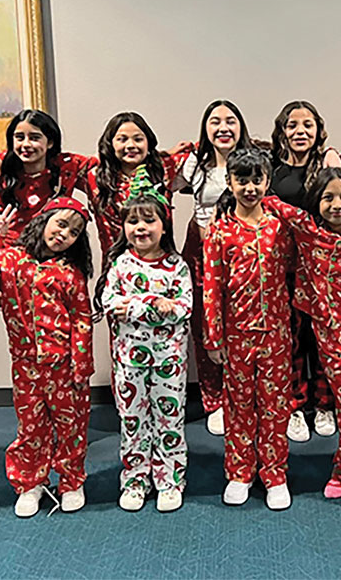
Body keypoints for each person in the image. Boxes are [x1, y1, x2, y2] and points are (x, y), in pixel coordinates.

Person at [263, 167, 341, 534]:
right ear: (315, 202)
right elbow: (269, 201)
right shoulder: (307, 230)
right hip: (332, 337)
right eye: (328, 197)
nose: (337, 205)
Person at [0, 197, 94, 517]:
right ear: (43, 220)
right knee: (31, 427)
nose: (64, 234)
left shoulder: (71, 273)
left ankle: (71, 482)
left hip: (64, 365)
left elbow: (82, 319)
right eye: (61, 224)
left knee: (71, 427)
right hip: (26, 365)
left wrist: (81, 367)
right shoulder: (10, 260)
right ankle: (30, 483)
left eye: (74, 232)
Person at [93, 178, 192, 513]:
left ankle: (169, 479)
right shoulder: (120, 264)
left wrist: (136, 305)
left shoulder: (177, 267)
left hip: (168, 361)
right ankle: (135, 479)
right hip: (129, 361)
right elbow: (110, 303)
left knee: (169, 419)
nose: (140, 228)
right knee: (133, 419)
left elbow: (183, 308)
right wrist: (154, 303)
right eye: (133, 221)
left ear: (164, 226)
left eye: (149, 220)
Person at [202, 148, 293, 510]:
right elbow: (211, 287)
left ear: (267, 182)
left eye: (257, 179)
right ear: (230, 182)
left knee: (274, 406)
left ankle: (275, 474)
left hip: (276, 335)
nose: (250, 187)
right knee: (238, 406)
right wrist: (213, 338)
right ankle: (240, 472)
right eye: (242, 180)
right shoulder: (219, 232)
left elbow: (293, 270)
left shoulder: (278, 227)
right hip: (237, 335)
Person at [171, 100, 253, 436]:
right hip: (200, 252)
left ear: (240, 126)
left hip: (242, 251)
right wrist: (171, 154)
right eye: (215, 121)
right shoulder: (195, 163)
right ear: (205, 128)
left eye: (230, 120)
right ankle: (215, 400)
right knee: (205, 325)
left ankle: (242, 396)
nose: (223, 127)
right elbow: (163, 184)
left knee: (240, 323)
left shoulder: (253, 160)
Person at [269, 100, 341, 441]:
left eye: (307, 125)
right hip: (284, 267)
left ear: (318, 130)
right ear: (282, 131)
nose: (300, 132)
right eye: (292, 125)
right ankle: (296, 406)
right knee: (293, 339)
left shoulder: (328, 165)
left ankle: (325, 405)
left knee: (323, 337)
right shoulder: (272, 169)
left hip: (321, 266)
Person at [83, 111, 192, 270]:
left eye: (138, 139)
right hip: (116, 270)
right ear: (110, 143)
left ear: (148, 142)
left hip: (162, 269)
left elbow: (205, 150)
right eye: (122, 139)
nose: (131, 145)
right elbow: (58, 163)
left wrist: (164, 153)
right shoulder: (95, 176)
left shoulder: (163, 169)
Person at [0, 109, 95, 242]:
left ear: (50, 142)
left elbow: (102, 161)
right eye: (19, 137)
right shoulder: (5, 172)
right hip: (13, 246)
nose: (26, 144)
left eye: (35, 138)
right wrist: (1, 157)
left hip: (55, 244)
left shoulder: (66, 166)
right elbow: (0, 222)